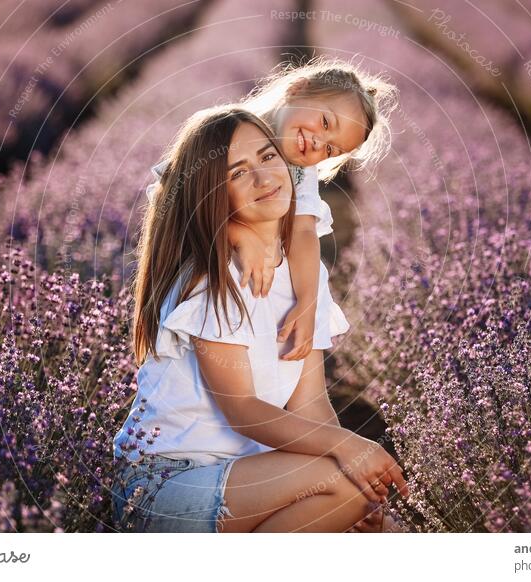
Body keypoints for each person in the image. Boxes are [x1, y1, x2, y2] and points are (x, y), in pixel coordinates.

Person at [111, 106, 407, 532]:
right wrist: (348, 449)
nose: (264, 178)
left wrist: (356, 476)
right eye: (238, 172)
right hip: (166, 483)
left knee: (368, 512)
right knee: (345, 484)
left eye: (269, 157)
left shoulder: (306, 276)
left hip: (250, 476)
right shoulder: (213, 277)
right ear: (213, 193)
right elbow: (244, 411)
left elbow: (310, 403)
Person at [145, 57, 398, 362]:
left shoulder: (302, 174)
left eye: (331, 149)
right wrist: (236, 232)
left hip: (249, 287)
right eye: (326, 122)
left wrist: (307, 303)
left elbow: (304, 232)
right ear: (298, 88)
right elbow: (171, 195)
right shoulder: (227, 130)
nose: (319, 143)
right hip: (202, 273)